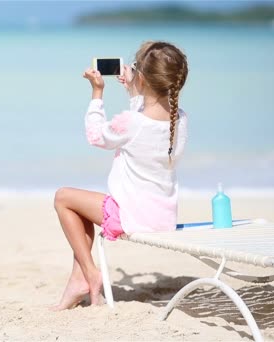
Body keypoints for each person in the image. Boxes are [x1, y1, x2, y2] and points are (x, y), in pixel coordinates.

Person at [51, 41, 189, 311]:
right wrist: (134, 92)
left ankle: (90, 273)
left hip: (131, 217)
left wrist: (97, 93)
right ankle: (78, 279)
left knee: (63, 198)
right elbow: (146, 120)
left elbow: (96, 135)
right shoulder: (180, 119)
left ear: (143, 78)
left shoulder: (132, 123)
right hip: (163, 217)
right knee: (80, 207)